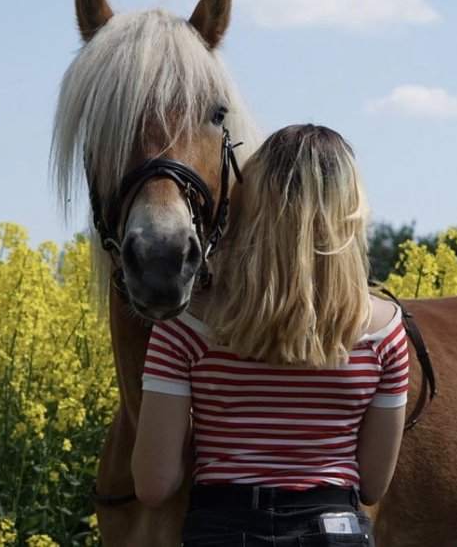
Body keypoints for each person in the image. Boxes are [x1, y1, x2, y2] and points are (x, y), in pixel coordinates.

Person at [131, 124, 409, 546]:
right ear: (351, 211)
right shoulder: (386, 331)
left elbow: (154, 484)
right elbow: (372, 484)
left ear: (251, 205)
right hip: (335, 533)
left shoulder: (186, 325)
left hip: (223, 532)